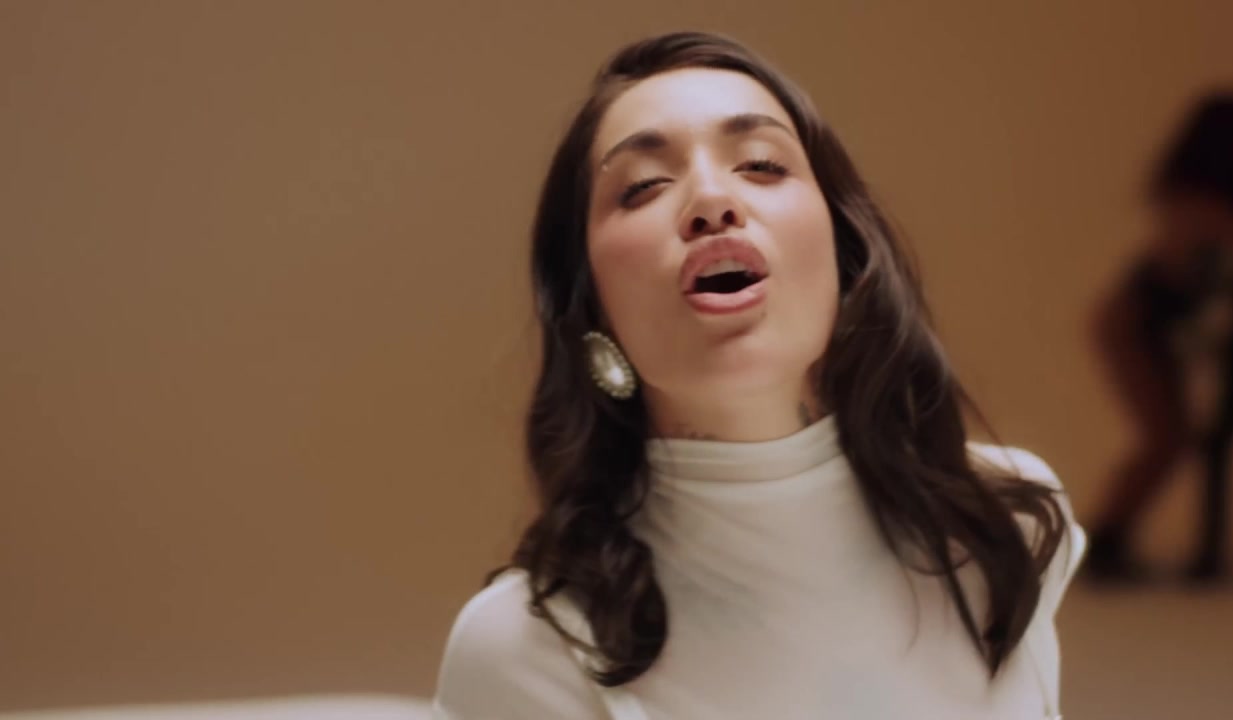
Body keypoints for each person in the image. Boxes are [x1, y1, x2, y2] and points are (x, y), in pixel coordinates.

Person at [433, 32, 1085, 720]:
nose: (712, 200)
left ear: (846, 254)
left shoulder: (1008, 526)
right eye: (644, 186)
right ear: (590, 302)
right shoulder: (525, 651)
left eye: (762, 165)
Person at [1086, 86, 1233, 583]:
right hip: (1133, 327)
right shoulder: (1201, 203)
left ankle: (1108, 539)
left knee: (1168, 439)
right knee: (1164, 439)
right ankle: (1104, 540)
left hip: (1148, 328)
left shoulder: (1199, 199)